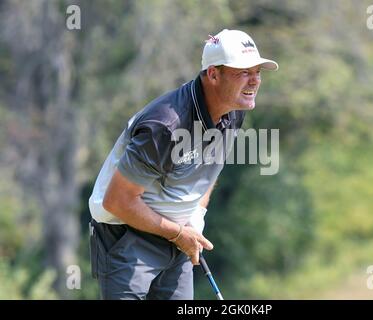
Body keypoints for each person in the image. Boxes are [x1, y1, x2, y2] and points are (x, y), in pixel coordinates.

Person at [88, 29, 278, 300]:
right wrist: (178, 233)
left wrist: (196, 216)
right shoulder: (165, 125)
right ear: (213, 74)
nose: (255, 81)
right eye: (243, 72)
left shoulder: (233, 111)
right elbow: (117, 201)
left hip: (179, 234)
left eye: (257, 71)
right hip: (125, 232)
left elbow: (210, 169)